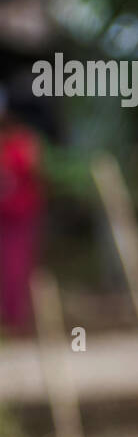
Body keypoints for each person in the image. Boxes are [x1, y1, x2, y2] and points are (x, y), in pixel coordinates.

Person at [0, 85, 45, 336]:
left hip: (21, 214)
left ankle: (16, 319)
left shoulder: (25, 143)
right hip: (6, 215)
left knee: (17, 265)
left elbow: (35, 174)